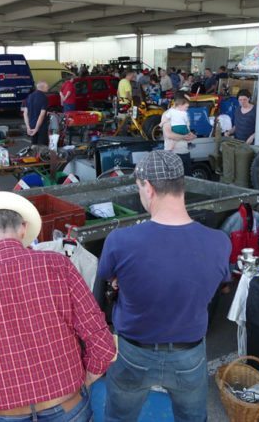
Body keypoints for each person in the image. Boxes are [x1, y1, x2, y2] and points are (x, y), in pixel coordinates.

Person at [0, 191, 115, 421]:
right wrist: (87, 377)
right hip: (67, 405)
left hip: (6, 414)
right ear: (23, 228)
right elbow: (101, 340)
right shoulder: (58, 265)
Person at [98, 151, 231, 421]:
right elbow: (216, 282)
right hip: (189, 354)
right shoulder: (219, 242)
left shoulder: (120, 241)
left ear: (148, 187)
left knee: (119, 417)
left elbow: (107, 278)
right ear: (182, 185)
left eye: (139, 188)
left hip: (133, 351)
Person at [161, 96, 196, 175]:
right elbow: (168, 134)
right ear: (180, 104)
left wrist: (191, 136)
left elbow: (186, 132)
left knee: (187, 181)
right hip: (173, 154)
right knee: (174, 182)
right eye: (186, 106)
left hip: (185, 152)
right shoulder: (168, 114)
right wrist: (183, 137)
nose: (187, 109)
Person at [23, 81, 49, 146]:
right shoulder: (44, 98)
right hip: (41, 127)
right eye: (47, 86)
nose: (48, 88)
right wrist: (37, 129)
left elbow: (25, 113)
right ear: (43, 88)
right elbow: (42, 115)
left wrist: (28, 127)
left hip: (31, 126)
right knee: (42, 148)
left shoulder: (29, 96)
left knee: (33, 147)